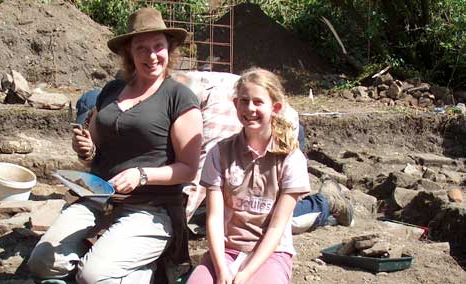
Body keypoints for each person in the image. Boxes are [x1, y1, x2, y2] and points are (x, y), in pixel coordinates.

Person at [27, 7, 202, 284]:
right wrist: (85, 148)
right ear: (129, 53)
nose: (152, 55)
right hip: (98, 198)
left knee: (91, 276)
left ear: (169, 48)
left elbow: (189, 169)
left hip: (151, 207)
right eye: (141, 48)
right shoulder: (111, 90)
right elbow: (94, 147)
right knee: (43, 264)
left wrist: (142, 174)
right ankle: (109, 258)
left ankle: (149, 272)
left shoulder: (179, 98)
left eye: (158, 46)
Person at [75, 70, 354, 234]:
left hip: (274, 129)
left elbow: (200, 175)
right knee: (89, 97)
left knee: (247, 217)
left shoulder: (209, 113)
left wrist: (176, 221)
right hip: (248, 117)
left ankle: (325, 202)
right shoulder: (155, 89)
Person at [186, 68, 310, 284]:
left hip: (271, 252)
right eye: (244, 101)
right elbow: (214, 218)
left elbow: (277, 226)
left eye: (258, 102)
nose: (250, 108)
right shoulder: (220, 152)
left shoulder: (291, 158)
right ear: (235, 105)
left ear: (275, 108)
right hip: (228, 248)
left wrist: (246, 273)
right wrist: (221, 269)